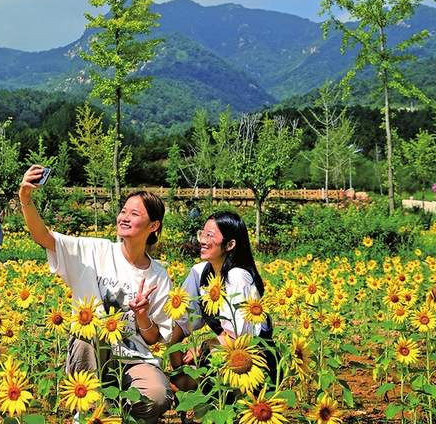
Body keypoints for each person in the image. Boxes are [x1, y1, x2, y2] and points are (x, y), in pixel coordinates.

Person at [18, 164, 174, 424]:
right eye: (123, 211)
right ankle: (87, 413)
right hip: (92, 353)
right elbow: (43, 237)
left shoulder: (158, 276)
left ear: (153, 225)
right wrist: (25, 198)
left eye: (134, 214)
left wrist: (143, 315)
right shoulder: (94, 251)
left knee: (156, 396)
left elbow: (155, 338)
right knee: (86, 331)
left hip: (134, 359)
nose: (124, 217)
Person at [168, 210, 273, 393]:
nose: (202, 240)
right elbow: (186, 316)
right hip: (220, 351)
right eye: (203, 233)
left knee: (213, 371)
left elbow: (239, 336)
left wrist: (203, 347)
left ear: (230, 244)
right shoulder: (200, 272)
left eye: (210, 235)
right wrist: (174, 347)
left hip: (249, 360)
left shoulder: (237, 276)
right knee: (179, 381)